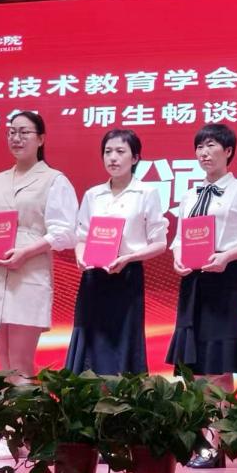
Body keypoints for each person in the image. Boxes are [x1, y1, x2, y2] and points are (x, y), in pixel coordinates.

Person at [166, 124, 237, 468]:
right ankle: (201, 443)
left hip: (224, 279)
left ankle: (219, 444)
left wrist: (225, 257)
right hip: (193, 282)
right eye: (199, 147)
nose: (204, 153)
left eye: (210, 146)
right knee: (193, 366)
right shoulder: (190, 194)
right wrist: (177, 258)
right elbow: (179, 238)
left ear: (228, 151)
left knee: (219, 366)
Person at [0, 111, 78, 380]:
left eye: (24, 132)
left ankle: (26, 407)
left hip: (29, 274)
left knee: (20, 362)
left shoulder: (54, 179)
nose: (16, 138)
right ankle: (9, 407)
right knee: (3, 363)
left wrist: (26, 252)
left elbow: (65, 232)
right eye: (11, 132)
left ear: (40, 139)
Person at [67, 129, 167, 375]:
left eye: (120, 151)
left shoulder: (146, 193)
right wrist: (80, 257)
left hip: (126, 276)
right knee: (90, 344)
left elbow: (159, 243)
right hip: (93, 277)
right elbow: (81, 237)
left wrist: (130, 257)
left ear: (135, 158)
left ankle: (122, 397)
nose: (113, 157)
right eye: (108, 151)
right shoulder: (93, 194)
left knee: (123, 343)